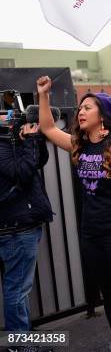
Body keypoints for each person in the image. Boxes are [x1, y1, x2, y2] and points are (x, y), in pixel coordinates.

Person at [36, 77, 111, 352]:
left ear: (103, 116)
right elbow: (48, 127)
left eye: (88, 107)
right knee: (108, 294)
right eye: (80, 108)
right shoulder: (79, 145)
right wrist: (43, 95)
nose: (81, 112)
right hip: (91, 233)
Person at [0, 122, 53, 333]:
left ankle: (23, 334)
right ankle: (20, 343)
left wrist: (35, 139)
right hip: (15, 229)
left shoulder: (9, 142)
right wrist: (29, 141)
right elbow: (22, 173)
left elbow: (39, 161)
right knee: (18, 289)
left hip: (17, 226)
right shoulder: (2, 146)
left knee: (18, 287)